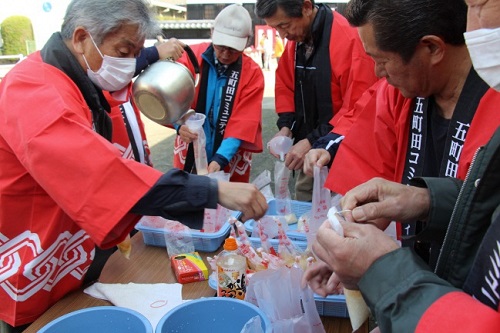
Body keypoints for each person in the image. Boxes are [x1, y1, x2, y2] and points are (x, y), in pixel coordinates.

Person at [0, 0, 268, 330]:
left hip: (70, 257)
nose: (130, 66)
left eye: (136, 53)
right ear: (83, 37)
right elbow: (103, 172)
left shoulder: (79, 80)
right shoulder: (35, 90)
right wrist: (212, 189)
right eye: (124, 51)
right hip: (34, 262)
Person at [302, 0, 500, 331]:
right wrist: (350, 245)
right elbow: (368, 181)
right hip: (414, 297)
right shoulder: (400, 91)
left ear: (432, 48)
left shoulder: (492, 99)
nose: (377, 74)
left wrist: (382, 271)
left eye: (382, 61)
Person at [255, 0, 378, 202]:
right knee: (305, 213)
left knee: (342, 215)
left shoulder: (347, 38)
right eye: (275, 28)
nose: (282, 35)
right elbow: (286, 84)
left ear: (306, 7)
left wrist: (313, 141)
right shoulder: (295, 42)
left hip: (346, 153)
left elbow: (359, 106)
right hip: (308, 157)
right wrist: (287, 127)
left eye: (284, 26)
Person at [172, 4, 265, 183]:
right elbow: (169, 100)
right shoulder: (190, 57)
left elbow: (245, 121)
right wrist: (178, 127)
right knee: (186, 201)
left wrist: (221, 158)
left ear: (246, 42)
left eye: (233, 49)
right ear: (212, 33)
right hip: (190, 146)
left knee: (229, 206)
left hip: (229, 154)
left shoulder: (252, 72)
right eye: (220, 46)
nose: (225, 54)